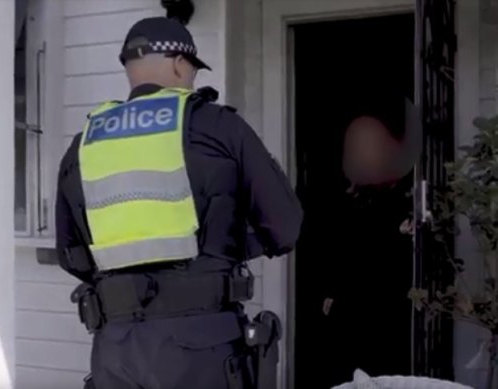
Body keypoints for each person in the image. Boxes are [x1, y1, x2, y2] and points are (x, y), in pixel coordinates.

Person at [55, 16, 302, 389]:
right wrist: (226, 246)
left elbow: (71, 255)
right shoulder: (218, 126)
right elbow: (284, 227)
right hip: (203, 344)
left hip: (116, 350)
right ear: (179, 64)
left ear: (129, 68)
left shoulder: (84, 143)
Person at [322, 112, 416, 386]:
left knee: (384, 365)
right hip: (352, 296)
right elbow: (341, 245)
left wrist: (400, 232)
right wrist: (331, 289)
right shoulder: (351, 196)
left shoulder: (403, 193)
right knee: (347, 363)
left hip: (388, 295)